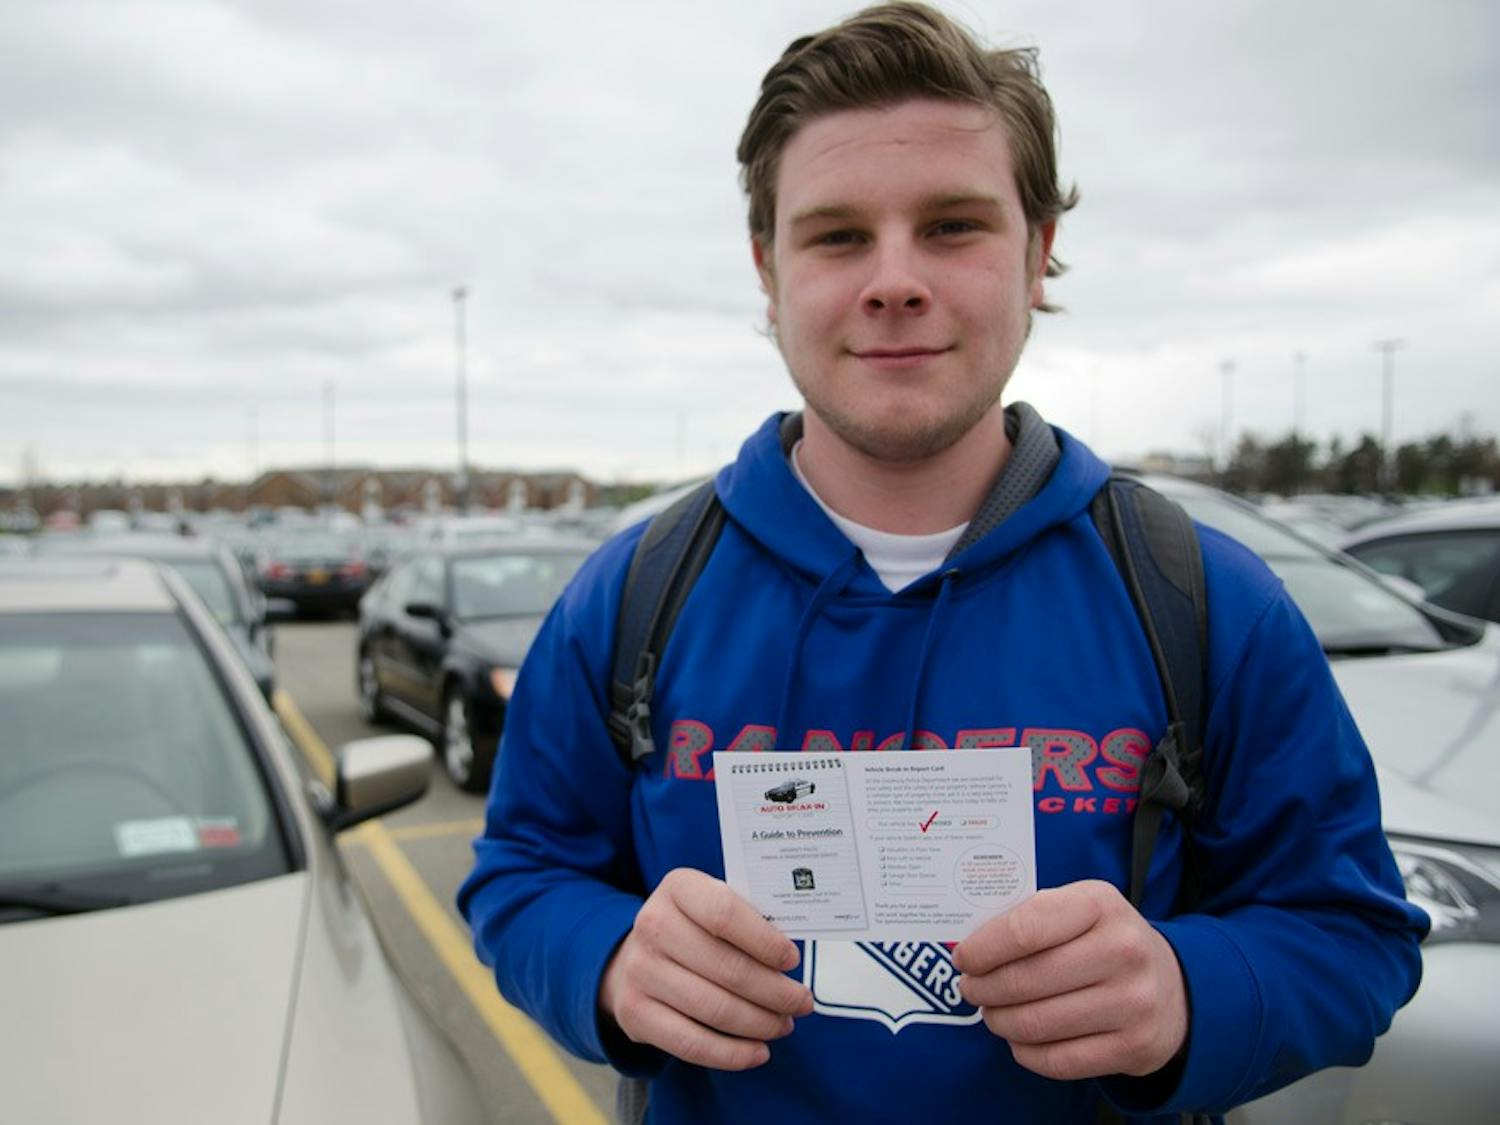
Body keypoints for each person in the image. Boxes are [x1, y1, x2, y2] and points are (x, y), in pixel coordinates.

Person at [458, 5, 1426, 1122]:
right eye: (836, 236)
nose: (894, 280)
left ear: (1040, 251)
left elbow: (1354, 940)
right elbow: (519, 876)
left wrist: (1188, 993)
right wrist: (609, 960)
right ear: (767, 269)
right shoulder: (633, 595)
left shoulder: (1203, 600)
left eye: (954, 225)